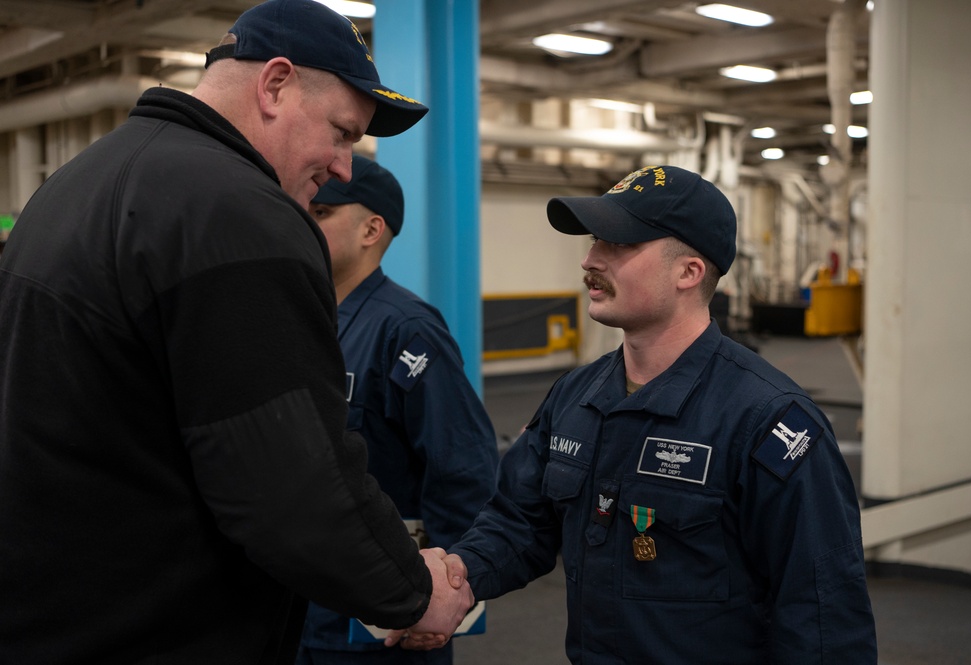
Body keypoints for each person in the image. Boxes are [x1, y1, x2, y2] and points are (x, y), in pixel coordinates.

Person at [0, 1, 472, 663]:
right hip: (156, 630)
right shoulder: (239, 212)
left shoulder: (78, 183)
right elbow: (291, 487)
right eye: (340, 132)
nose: (342, 166)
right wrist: (411, 590)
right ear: (274, 84)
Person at [405, 165, 879, 663]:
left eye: (619, 244)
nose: (590, 259)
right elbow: (521, 523)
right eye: (594, 242)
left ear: (689, 272)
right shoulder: (575, 395)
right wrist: (459, 577)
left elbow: (823, 614)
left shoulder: (769, 422)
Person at [295, 156, 499, 665]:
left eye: (320, 213)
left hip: (381, 620)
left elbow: (463, 470)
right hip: (301, 604)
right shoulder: (301, 321)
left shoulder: (405, 329)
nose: (302, 221)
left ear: (371, 229)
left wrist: (448, 603)